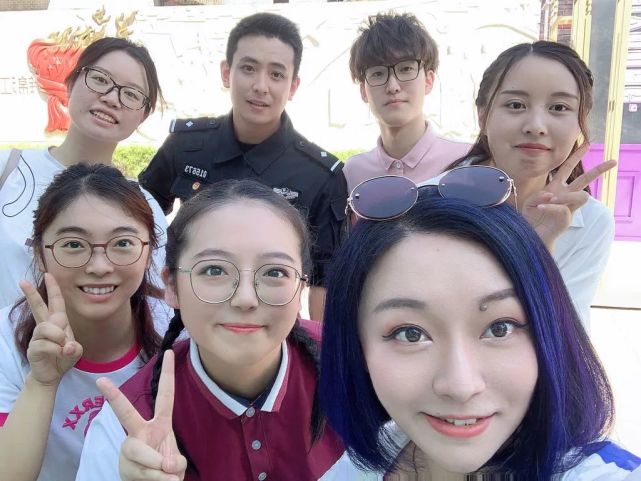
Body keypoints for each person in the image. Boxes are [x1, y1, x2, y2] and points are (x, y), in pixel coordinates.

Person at [319, 179, 641, 480]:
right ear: (356, 345)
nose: (461, 386)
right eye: (410, 334)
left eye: (500, 328)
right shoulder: (372, 456)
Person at [75, 179, 345, 481]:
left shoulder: (356, 365)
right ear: (172, 286)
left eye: (274, 272)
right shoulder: (129, 425)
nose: (245, 298)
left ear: (302, 286)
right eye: (214, 270)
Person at [138, 12, 348, 321]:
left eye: (276, 74)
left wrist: (319, 346)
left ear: (293, 86)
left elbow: (324, 279)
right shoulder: (187, 146)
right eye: (249, 68)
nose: (261, 86)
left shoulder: (319, 175)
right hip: (186, 321)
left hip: (269, 325)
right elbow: (141, 219)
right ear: (227, 73)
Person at [0, 164, 170, 481]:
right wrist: (42, 383)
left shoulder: (179, 329)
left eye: (122, 243)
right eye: (74, 244)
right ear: (38, 253)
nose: (99, 266)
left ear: (149, 252)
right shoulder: (5, 340)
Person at [447, 40, 616, 326]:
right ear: (482, 116)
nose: (536, 126)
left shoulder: (591, 221)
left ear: (580, 122)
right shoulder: (425, 203)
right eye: (516, 105)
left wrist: (538, 244)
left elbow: (566, 334)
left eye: (559, 107)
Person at [0, 36, 168, 308]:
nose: (112, 99)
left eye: (131, 94)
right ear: (69, 84)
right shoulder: (8, 170)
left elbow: (153, 305)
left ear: (143, 116)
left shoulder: (145, 206)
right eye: (100, 79)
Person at [343, 12, 470, 193]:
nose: (393, 87)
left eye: (406, 69)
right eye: (378, 73)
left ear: (428, 81)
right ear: (364, 91)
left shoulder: (465, 162)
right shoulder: (353, 173)